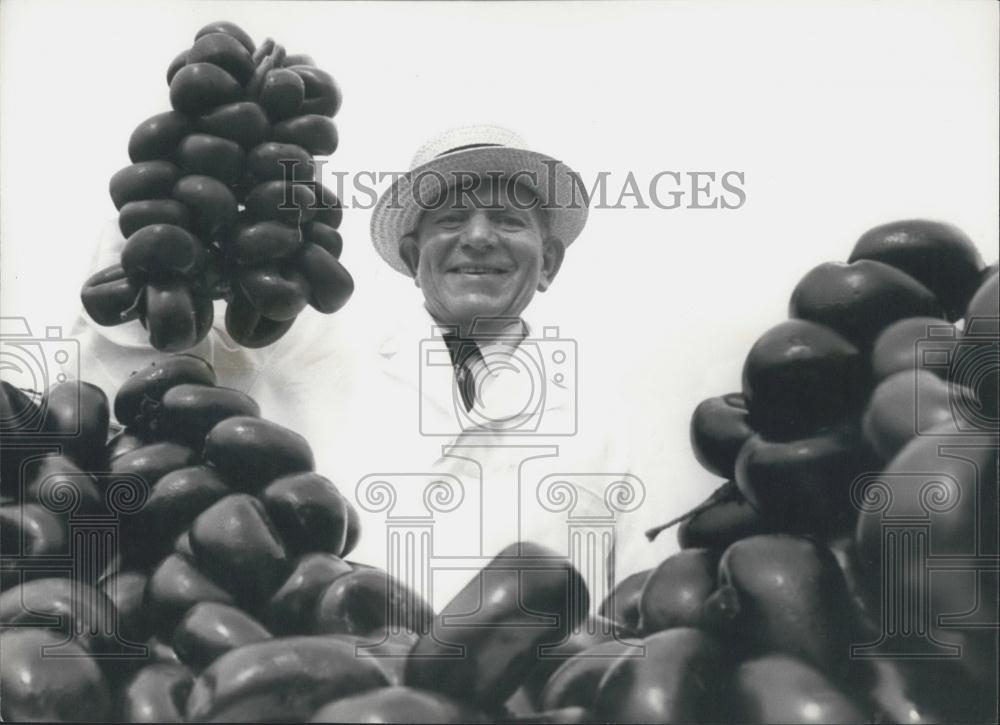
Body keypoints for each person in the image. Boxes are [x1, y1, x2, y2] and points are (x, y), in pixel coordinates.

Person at [68, 126, 667, 612]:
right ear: (412, 257)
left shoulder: (604, 427)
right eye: (451, 221)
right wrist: (198, 170)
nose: (479, 238)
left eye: (508, 221)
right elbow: (147, 330)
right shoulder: (314, 348)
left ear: (549, 265)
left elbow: (637, 606)